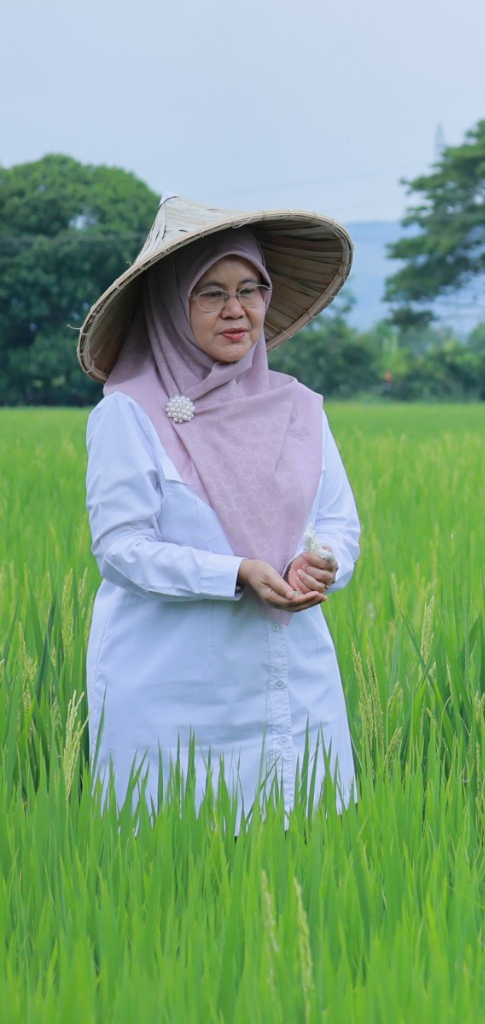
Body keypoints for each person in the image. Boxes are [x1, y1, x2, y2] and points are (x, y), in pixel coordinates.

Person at [77, 199, 363, 817]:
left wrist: (323, 562)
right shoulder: (127, 414)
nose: (238, 311)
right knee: (175, 879)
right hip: (173, 693)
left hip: (293, 682)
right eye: (211, 293)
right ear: (171, 305)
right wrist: (235, 573)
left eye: (251, 289)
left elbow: (338, 522)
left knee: (302, 869)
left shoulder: (299, 407)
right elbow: (122, 547)